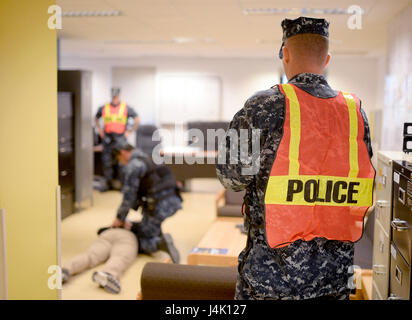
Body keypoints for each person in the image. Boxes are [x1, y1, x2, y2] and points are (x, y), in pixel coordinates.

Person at [216, 16, 375, 300]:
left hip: (272, 280)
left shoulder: (263, 106)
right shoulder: (355, 113)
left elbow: (230, 177)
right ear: (327, 59)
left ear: (284, 54)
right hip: (335, 279)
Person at [110, 139, 182, 264]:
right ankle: (157, 233)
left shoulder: (133, 166)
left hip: (160, 207)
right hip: (172, 200)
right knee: (143, 225)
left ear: (123, 153)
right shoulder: (148, 157)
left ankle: (158, 243)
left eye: (119, 159)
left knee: (139, 238)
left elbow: (129, 196)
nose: (121, 163)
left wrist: (119, 218)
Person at [61, 221, 171, 294]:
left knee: (90, 255)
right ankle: (108, 273)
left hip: (107, 234)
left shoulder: (118, 220)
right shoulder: (140, 226)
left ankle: (66, 269)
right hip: (128, 237)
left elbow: (99, 230)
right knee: (120, 257)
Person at [95, 88, 140, 191]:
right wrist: (100, 131)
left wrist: (129, 131)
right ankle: (108, 184)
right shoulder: (104, 107)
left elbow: (137, 120)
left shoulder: (125, 107)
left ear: (119, 96)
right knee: (107, 161)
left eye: (116, 96)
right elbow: (96, 118)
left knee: (122, 162)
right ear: (111, 96)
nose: (114, 98)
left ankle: (122, 184)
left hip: (120, 138)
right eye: (113, 96)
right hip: (108, 138)